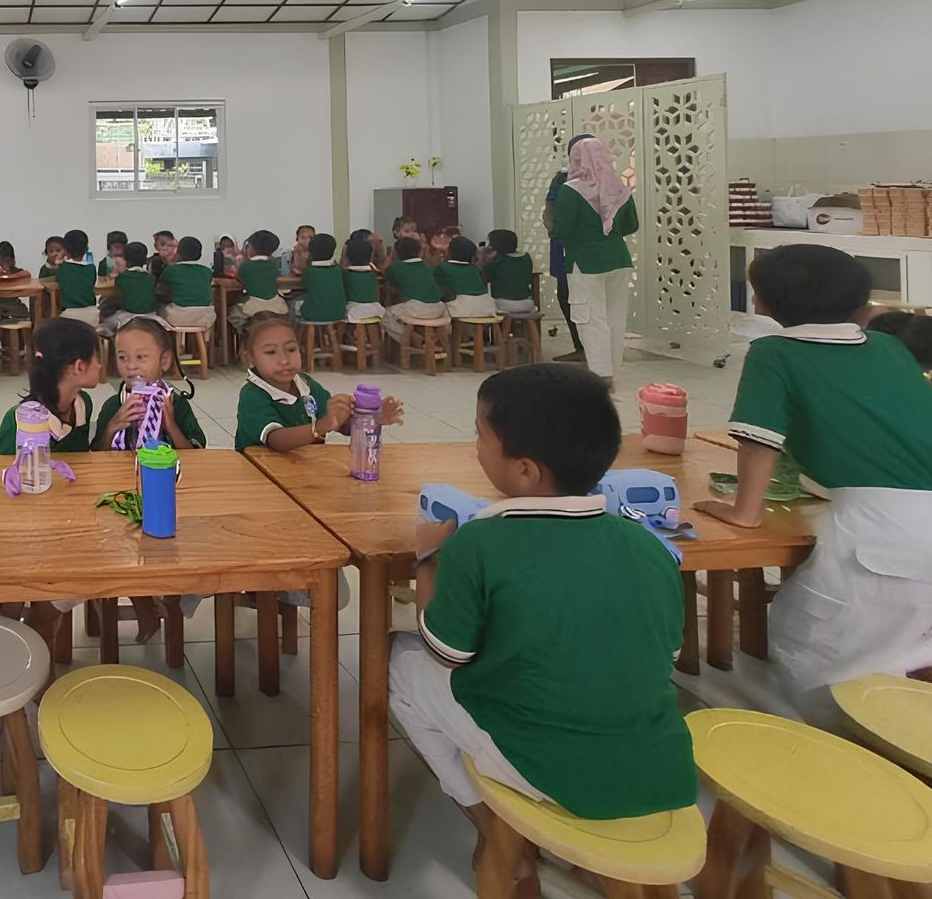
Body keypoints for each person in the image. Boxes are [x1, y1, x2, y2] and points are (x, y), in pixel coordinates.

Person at [393, 365, 694, 824]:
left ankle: (489, 824)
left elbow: (445, 650)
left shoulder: (480, 542)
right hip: (659, 770)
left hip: (545, 767)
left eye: (480, 437)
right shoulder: (650, 547)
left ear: (526, 470)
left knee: (399, 662)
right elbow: (667, 653)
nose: (475, 449)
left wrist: (427, 557)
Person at [695, 245, 932, 718]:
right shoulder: (886, 346)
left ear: (764, 302)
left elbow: (757, 440)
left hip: (881, 528)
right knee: (903, 641)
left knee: (820, 648)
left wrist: (744, 511)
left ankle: (853, 744)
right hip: (912, 515)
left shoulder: (773, 353)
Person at [236, 314, 402, 453]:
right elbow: (276, 440)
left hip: (303, 468)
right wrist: (321, 426)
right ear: (249, 358)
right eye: (271, 352)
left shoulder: (306, 384)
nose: (284, 360)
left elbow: (340, 425)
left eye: (291, 349)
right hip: (260, 473)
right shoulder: (252, 395)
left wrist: (371, 419)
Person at [551, 136, 639, 384]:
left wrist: (552, 227)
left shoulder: (571, 190)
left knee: (590, 317)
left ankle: (601, 374)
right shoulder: (620, 187)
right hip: (619, 259)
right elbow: (632, 225)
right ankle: (611, 369)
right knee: (615, 317)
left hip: (585, 262)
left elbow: (563, 229)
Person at [0, 318, 101, 455]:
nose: (99, 365)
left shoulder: (84, 403)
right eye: (97, 357)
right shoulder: (18, 422)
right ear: (78, 367)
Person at [94, 317, 204, 451]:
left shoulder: (177, 404)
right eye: (122, 357)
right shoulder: (113, 406)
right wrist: (111, 428)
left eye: (140, 357)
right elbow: (96, 456)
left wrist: (170, 426)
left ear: (164, 361)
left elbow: (196, 455)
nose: (131, 365)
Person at [543, 151, 588, 361]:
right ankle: (580, 346)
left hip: (589, 249)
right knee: (566, 295)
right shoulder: (562, 178)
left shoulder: (604, 179)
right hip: (563, 247)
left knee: (590, 300)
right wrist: (556, 232)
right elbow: (550, 211)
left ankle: (596, 350)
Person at [382, 236, 447, 344]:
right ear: (419, 251)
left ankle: (411, 338)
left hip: (417, 308)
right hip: (439, 308)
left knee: (382, 315)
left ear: (397, 253)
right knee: (405, 310)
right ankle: (428, 339)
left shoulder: (396, 266)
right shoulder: (426, 266)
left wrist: (389, 256)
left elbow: (384, 273)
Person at [158, 236, 216, 329]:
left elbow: (161, 285)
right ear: (199, 254)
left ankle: (169, 342)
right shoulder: (207, 271)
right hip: (205, 317)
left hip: (179, 317)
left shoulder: (171, 270)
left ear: (178, 253)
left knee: (159, 308)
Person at [100, 241, 159, 331]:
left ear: (126, 259)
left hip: (127, 318)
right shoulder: (151, 278)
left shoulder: (122, 278)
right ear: (145, 260)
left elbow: (113, 300)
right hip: (150, 318)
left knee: (105, 321)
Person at [436, 236, 497, 319]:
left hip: (459, 311)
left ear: (451, 252)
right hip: (485, 309)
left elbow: (437, 292)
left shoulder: (442, 268)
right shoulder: (477, 269)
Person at [234, 229, 288, 319]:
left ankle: (243, 332)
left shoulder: (245, 266)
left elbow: (240, 279)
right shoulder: (274, 265)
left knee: (232, 313)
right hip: (276, 306)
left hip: (254, 307)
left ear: (251, 248)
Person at [483, 229, 538, 317]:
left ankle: (497, 330)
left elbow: (484, 277)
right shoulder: (526, 258)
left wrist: (486, 259)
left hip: (503, 304)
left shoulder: (496, 261)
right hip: (527, 303)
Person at [54, 229, 100, 326]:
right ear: (87, 248)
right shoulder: (91, 268)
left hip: (70, 316)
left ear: (65, 250)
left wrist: (60, 258)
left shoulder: (63, 269)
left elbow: (58, 273)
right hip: (93, 315)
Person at [296, 234, 344, 324]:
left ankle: (298, 335)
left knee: (295, 303)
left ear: (311, 251)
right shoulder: (337, 270)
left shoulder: (310, 270)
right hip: (337, 313)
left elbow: (304, 284)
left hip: (312, 314)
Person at [344, 239, 386, 322]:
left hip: (354, 312)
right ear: (370, 256)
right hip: (376, 311)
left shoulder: (346, 274)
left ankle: (342, 335)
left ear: (348, 256)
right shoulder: (374, 274)